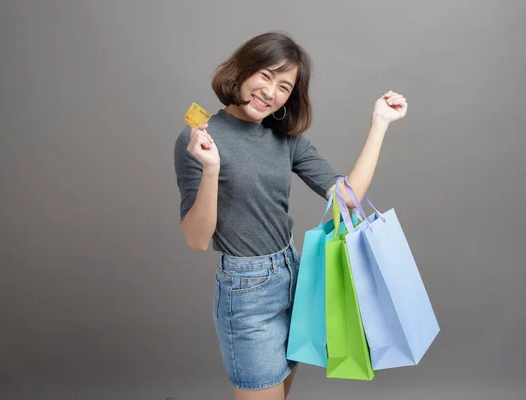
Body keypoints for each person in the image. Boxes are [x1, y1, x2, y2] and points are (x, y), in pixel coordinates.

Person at [173, 31, 407, 400]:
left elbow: (347, 199)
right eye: (265, 76)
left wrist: (380, 123)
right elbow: (197, 240)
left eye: (284, 86)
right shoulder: (203, 138)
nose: (270, 92)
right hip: (246, 294)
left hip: (293, 279)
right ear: (243, 70)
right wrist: (212, 169)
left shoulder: (285, 138)